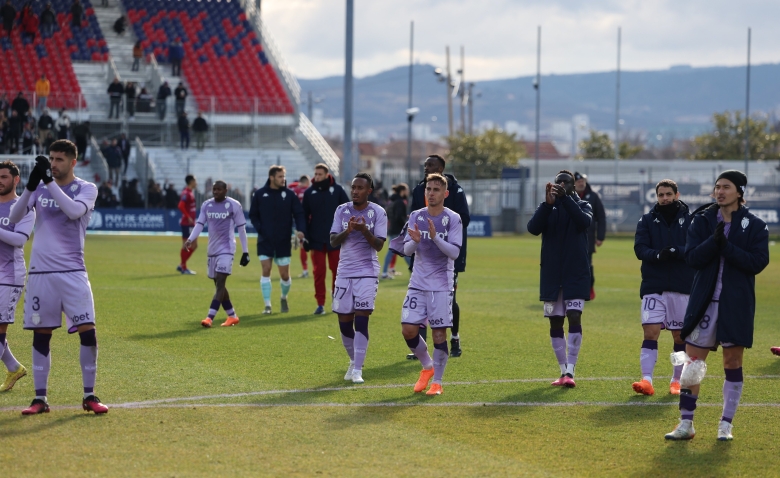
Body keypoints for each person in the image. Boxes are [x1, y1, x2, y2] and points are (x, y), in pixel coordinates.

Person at [665, 170, 769, 442]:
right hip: (704, 303)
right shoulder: (702, 221)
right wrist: (714, 241)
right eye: (717, 187)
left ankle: (725, 425)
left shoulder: (755, 225)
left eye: (726, 187)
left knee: (732, 362)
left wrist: (728, 247)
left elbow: (757, 262)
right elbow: (692, 258)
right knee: (692, 365)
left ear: (740, 192)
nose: (720, 191)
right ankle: (686, 424)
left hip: (736, 304)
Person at [9, 142, 108, 415]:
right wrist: (30, 187)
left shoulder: (86, 188)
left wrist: (49, 183)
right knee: (41, 336)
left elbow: (74, 211)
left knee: (89, 333)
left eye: (60, 159)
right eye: (51, 159)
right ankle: (40, 399)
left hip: (74, 272)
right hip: (41, 274)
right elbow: (15, 217)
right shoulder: (39, 188)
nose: (53, 163)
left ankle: (90, 395)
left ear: (73, 162)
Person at [527, 170, 592, 388]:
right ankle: (563, 370)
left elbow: (583, 223)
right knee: (555, 321)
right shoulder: (547, 207)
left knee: (574, 316)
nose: (562, 184)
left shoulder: (583, 205)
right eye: (558, 182)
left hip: (576, 273)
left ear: (574, 186)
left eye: (566, 182)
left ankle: (571, 370)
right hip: (552, 275)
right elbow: (533, 228)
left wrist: (564, 200)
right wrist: (547, 205)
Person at [401, 173, 463, 396]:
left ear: (445, 194)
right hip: (417, 282)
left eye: (436, 190)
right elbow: (405, 250)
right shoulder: (416, 216)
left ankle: (437, 381)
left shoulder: (453, 218)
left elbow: (455, 253)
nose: (431, 193)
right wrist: (415, 242)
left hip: (441, 285)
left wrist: (436, 238)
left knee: (438, 335)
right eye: (428, 189)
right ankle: (427, 366)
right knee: (408, 329)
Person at [632, 179, 694, 396]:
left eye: (668, 194)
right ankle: (646, 380)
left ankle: (676, 380)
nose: (665, 198)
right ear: (656, 197)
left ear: (677, 195)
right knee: (650, 332)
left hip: (681, 286)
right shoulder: (647, 220)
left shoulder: (691, 220)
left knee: (679, 337)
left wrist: (677, 251)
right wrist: (658, 255)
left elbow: (697, 248)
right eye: (661, 195)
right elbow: (640, 248)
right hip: (653, 286)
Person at [407, 154, 470, 358]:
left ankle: (455, 338)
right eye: (425, 165)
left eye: (431, 165)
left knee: (450, 298)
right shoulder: (419, 189)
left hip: (448, 256)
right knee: (422, 298)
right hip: (422, 253)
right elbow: (414, 217)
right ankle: (421, 346)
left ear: (441, 168)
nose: (427, 168)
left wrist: (441, 233)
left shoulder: (456, 190)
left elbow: (464, 219)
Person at [328, 173, 386, 383]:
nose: (355, 191)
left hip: (367, 273)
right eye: (353, 187)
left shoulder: (378, 212)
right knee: (344, 323)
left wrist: (364, 231)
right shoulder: (341, 210)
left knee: (362, 319)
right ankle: (353, 361)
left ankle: (358, 370)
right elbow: (334, 241)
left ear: (368, 191)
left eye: (360, 188)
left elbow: (379, 245)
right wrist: (348, 230)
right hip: (344, 273)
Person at [184, 181, 250, 328]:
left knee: (220, 282)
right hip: (212, 250)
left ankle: (209, 318)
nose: (216, 192)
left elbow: (241, 229)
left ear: (226, 190)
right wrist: (190, 239)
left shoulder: (234, 205)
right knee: (219, 284)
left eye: (219, 189)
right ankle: (232, 316)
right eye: (214, 189)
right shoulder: (207, 205)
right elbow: (200, 224)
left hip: (227, 249)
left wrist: (245, 252)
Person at [248, 165, 306, 315]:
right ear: (272, 177)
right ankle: (267, 305)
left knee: (284, 275)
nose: (283, 179)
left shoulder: (289, 195)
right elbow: (253, 215)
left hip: (283, 240)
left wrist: (301, 230)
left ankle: (283, 297)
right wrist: (260, 229)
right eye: (280, 176)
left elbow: (299, 214)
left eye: (284, 176)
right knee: (266, 270)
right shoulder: (260, 194)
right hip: (265, 240)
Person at [0, 161, 35, 393]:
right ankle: (14, 367)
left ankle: (14, 368)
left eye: (4, 176)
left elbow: (20, 239)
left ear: (16, 180)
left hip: (9, 275)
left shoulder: (24, 207)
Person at [303, 164, 349, 315]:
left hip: (335, 239)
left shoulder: (337, 190)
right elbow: (303, 216)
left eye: (319, 174)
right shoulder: (310, 192)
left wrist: (345, 232)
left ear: (326, 174)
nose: (316, 177)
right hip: (316, 240)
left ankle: (337, 299)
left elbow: (347, 211)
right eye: (315, 174)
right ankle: (320, 304)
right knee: (319, 272)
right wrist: (305, 235)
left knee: (337, 271)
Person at [574, 172, 606, 300]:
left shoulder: (593, 196)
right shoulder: (569, 197)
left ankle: (589, 288)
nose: (581, 183)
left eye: (582, 181)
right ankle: (574, 289)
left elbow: (601, 217)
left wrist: (600, 236)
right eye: (578, 181)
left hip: (588, 237)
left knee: (586, 265)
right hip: (572, 237)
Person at [382, 183, 410, 279]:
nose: (408, 191)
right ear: (402, 191)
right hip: (398, 231)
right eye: (407, 190)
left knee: (392, 252)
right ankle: (415, 271)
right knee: (405, 252)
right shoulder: (400, 202)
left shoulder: (392, 201)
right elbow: (399, 217)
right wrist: (405, 224)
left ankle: (385, 272)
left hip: (393, 230)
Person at [289, 174, 311, 278]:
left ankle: (305, 270)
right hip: (312, 221)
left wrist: (297, 184)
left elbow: (289, 186)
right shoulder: (309, 190)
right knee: (316, 248)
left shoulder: (295, 190)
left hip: (301, 221)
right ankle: (316, 269)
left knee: (303, 246)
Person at [177, 175, 198, 274]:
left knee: (194, 245)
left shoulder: (190, 193)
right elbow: (180, 205)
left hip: (191, 223)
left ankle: (182, 265)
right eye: (195, 181)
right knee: (190, 245)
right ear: (191, 182)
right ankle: (183, 266)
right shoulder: (186, 193)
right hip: (187, 223)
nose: (196, 183)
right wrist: (188, 217)